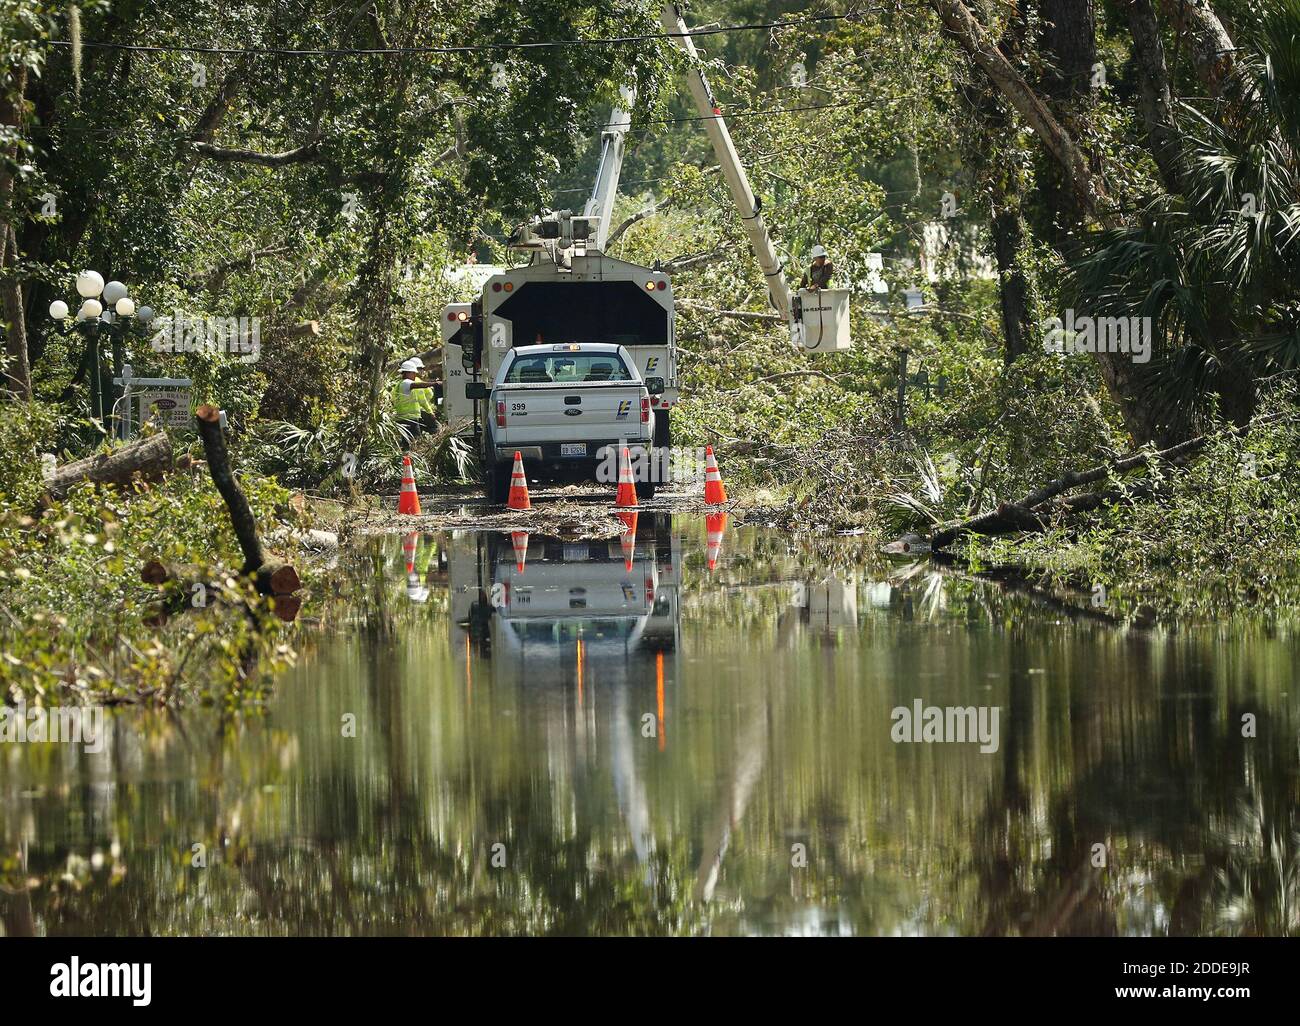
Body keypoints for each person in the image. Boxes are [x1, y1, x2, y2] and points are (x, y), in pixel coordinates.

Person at [394, 358, 438, 440]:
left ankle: (406, 452)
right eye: (413, 373)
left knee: (407, 442)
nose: (415, 375)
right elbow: (423, 395)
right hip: (410, 418)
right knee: (416, 440)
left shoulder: (399, 384)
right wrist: (434, 383)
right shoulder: (406, 383)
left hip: (403, 417)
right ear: (407, 373)